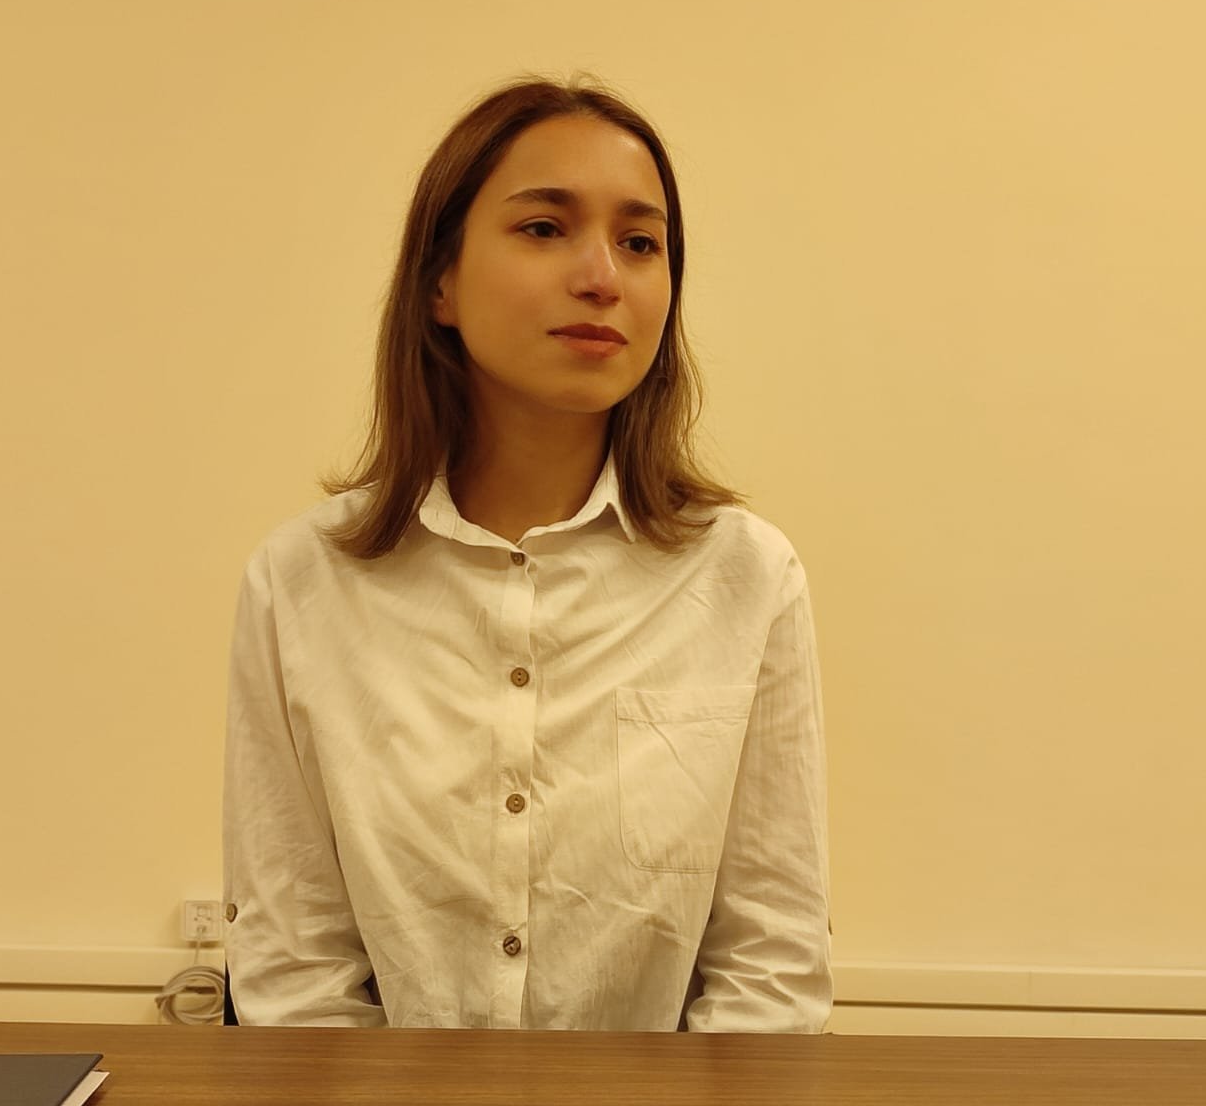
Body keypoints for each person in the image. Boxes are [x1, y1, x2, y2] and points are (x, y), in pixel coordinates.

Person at [222, 76, 830, 1031]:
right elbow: (296, 969)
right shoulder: (302, 581)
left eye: (641, 243)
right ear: (441, 283)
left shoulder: (748, 578)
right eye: (545, 228)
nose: (603, 277)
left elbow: (772, 969)